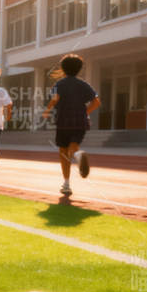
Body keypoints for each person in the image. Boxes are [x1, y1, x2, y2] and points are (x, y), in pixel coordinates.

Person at [43, 55, 100, 196]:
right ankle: (78, 155)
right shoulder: (83, 84)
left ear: (63, 68)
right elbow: (96, 102)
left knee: (63, 151)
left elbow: (54, 99)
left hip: (63, 121)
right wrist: (85, 112)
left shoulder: (59, 84)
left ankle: (66, 184)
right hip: (80, 121)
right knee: (74, 145)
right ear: (79, 69)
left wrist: (47, 110)